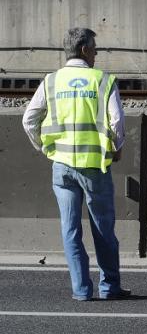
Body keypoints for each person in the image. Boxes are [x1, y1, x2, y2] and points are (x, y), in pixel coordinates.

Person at [22, 28, 130, 301]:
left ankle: (81, 290)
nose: (96, 54)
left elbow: (29, 119)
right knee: (103, 229)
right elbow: (117, 122)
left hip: (62, 166)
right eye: (95, 49)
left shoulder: (51, 81)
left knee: (70, 229)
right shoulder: (103, 80)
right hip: (94, 166)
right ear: (84, 50)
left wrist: (44, 147)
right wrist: (116, 149)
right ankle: (109, 287)